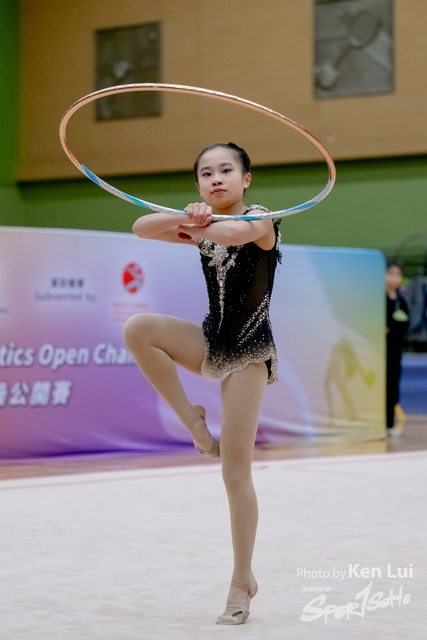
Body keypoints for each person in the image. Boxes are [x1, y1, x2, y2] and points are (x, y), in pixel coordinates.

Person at [123, 142, 281, 625]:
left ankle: (242, 580)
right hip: (211, 340)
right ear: (197, 184)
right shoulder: (203, 226)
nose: (216, 179)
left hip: (248, 354)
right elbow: (140, 227)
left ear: (246, 178)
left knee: (235, 472)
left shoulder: (261, 219)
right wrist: (186, 217)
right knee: (138, 329)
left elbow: (234, 233)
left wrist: (199, 222)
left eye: (226, 170)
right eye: (206, 173)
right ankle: (193, 420)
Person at [386, 262, 409, 434]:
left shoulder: (401, 301)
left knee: (393, 387)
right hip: (380, 352)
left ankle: (389, 424)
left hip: (395, 351)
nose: (394, 278)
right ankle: (378, 423)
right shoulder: (379, 299)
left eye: (398, 274)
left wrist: (392, 327)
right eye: (391, 274)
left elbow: (405, 324)